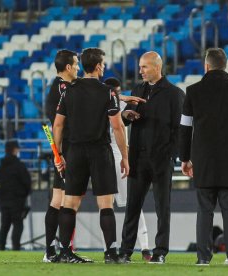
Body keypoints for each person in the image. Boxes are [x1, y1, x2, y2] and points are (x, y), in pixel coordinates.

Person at [53, 47, 130, 264]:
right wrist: (125, 156)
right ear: (97, 66)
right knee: (105, 204)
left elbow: (58, 124)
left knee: (70, 203)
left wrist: (58, 154)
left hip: (75, 152)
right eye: (103, 64)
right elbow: (117, 127)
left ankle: (65, 253)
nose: (104, 67)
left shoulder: (69, 90)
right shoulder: (108, 92)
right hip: (100, 151)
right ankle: (111, 253)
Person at [179, 48, 228, 266]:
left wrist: (185, 157)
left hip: (203, 160)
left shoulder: (193, 91)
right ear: (225, 65)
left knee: (204, 210)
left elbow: (184, 128)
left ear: (207, 66)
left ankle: (203, 257)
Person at [119, 51, 185, 264]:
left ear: (157, 67)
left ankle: (160, 252)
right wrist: (125, 115)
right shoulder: (138, 89)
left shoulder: (174, 94)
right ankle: (125, 251)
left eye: (144, 67)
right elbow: (126, 118)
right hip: (138, 157)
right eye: (140, 67)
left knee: (162, 208)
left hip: (161, 159)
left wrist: (172, 155)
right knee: (132, 207)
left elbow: (180, 129)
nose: (140, 71)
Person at [103, 77, 151, 261]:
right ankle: (119, 248)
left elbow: (121, 114)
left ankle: (142, 246)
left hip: (111, 156)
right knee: (115, 206)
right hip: (112, 156)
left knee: (121, 205)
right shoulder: (112, 102)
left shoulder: (118, 104)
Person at [43, 49, 80, 262]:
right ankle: (61, 251)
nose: (78, 68)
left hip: (64, 149)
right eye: (75, 64)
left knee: (59, 200)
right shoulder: (63, 88)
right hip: (66, 150)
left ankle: (53, 251)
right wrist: (59, 154)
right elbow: (58, 123)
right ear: (67, 67)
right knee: (64, 201)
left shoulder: (59, 87)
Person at [0, 140, 31, 251]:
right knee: (18, 224)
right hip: (17, 200)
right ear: (14, 150)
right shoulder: (19, 166)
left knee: (4, 225)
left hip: (4, 199)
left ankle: (1, 247)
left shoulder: (0, 167)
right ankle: (16, 246)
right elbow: (27, 182)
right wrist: (25, 193)